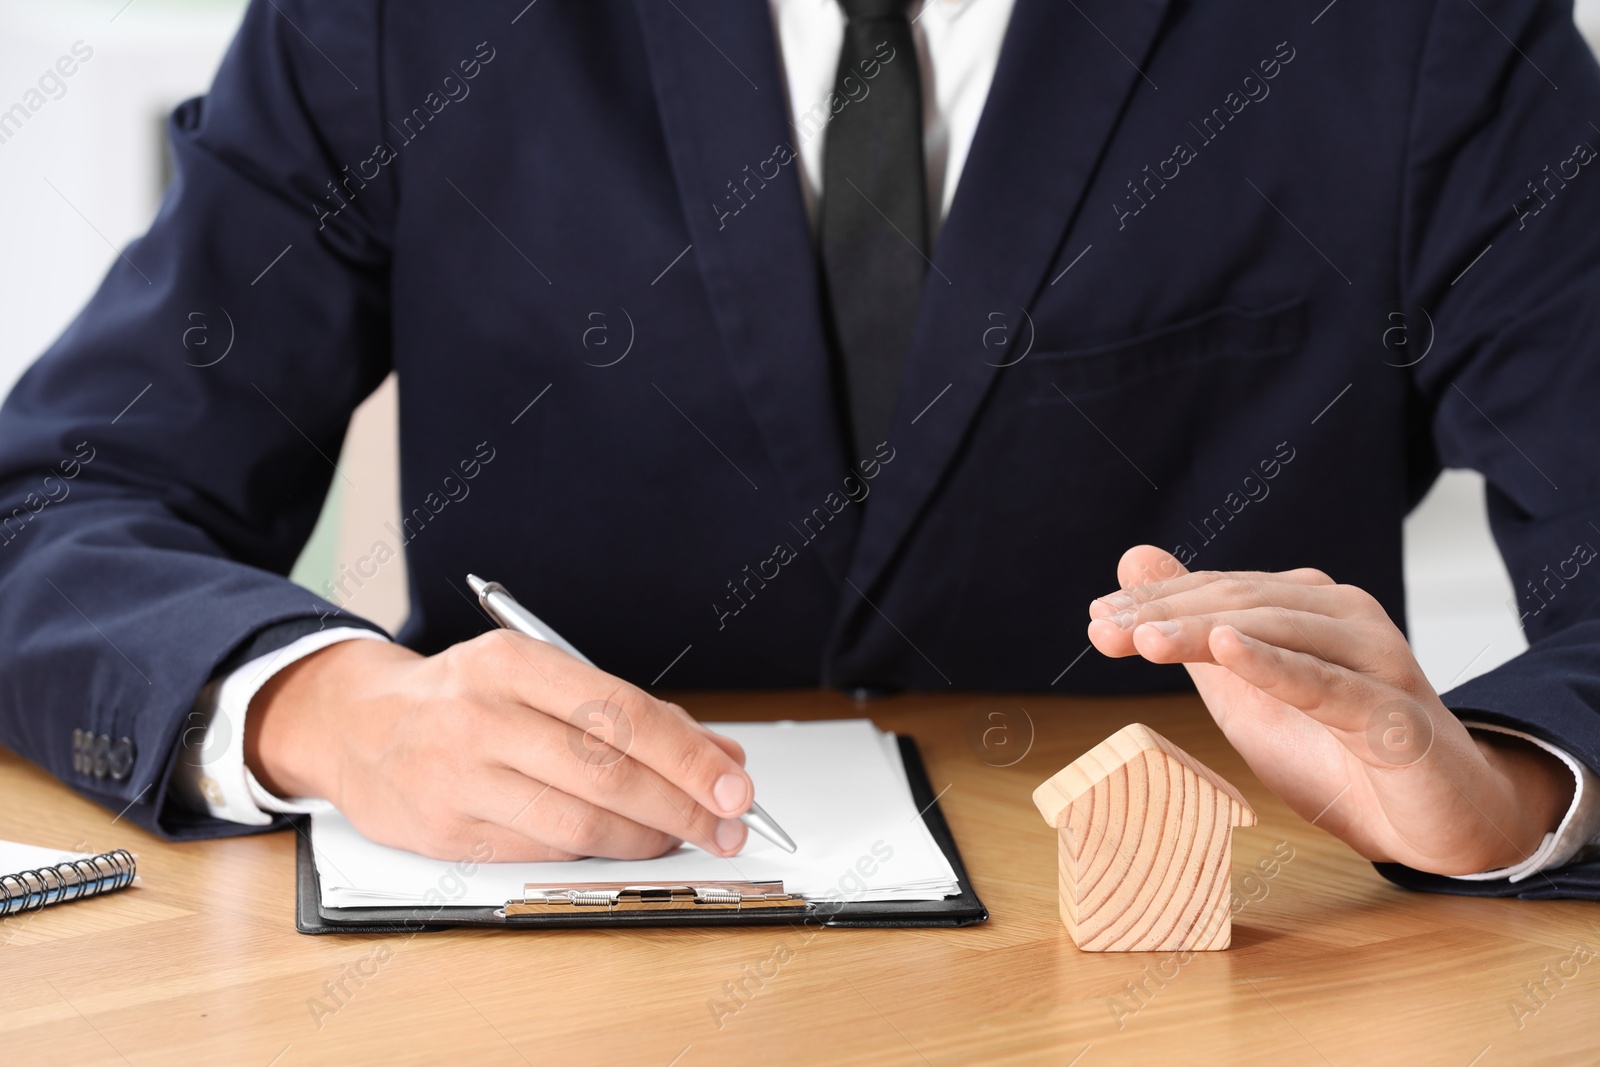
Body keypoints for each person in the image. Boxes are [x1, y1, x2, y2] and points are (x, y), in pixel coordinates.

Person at [1, 0, 1597, 899]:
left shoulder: (1424, 31)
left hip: (1194, 985)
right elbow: (55, 510)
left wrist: (1514, 787)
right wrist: (321, 709)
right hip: (553, 994)